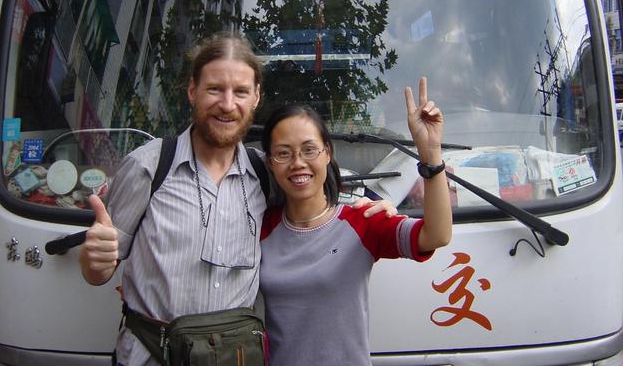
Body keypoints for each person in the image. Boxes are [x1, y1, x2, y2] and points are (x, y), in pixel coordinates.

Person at [78, 32, 394, 366]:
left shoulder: (264, 172)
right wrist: (93, 262)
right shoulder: (149, 167)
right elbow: (99, 270)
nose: (228, 105)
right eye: (215, 89)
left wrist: (373, 205)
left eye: (240, 91)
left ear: (256, 97)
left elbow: (310, 189)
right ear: (192, 91)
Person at [259, 77, 453, 366]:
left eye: (309, 150)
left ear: (327, 153)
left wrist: (430, 154)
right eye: (283, 153)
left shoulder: (362, 220)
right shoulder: (259, 227)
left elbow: (436, 235)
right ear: (270, 163)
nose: (297, 162)